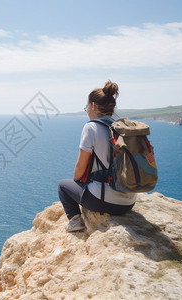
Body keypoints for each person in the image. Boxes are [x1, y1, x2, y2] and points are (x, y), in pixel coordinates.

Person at [58, 81, 136, 232]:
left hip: (103, 201)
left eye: (86, 106)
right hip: (129, 202)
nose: (87, 110)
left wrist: (78, 184)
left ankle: (76, 221)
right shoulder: (120, 128)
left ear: (93, 106)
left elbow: (80, 167)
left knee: (63, 186)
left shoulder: (91, 127)